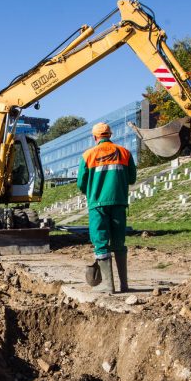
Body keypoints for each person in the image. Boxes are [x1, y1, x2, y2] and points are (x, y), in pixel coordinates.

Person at [76, 122, 137, 293]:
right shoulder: (124, 152)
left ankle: (109, 287)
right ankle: (124, 285)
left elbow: (81, 183)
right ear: (110, 135)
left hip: (97, 205)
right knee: (119, 242)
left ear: (95, 137)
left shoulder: (88, 155)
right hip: (118, 202)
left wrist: (92, 188)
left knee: (101, 243)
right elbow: (132, 178)